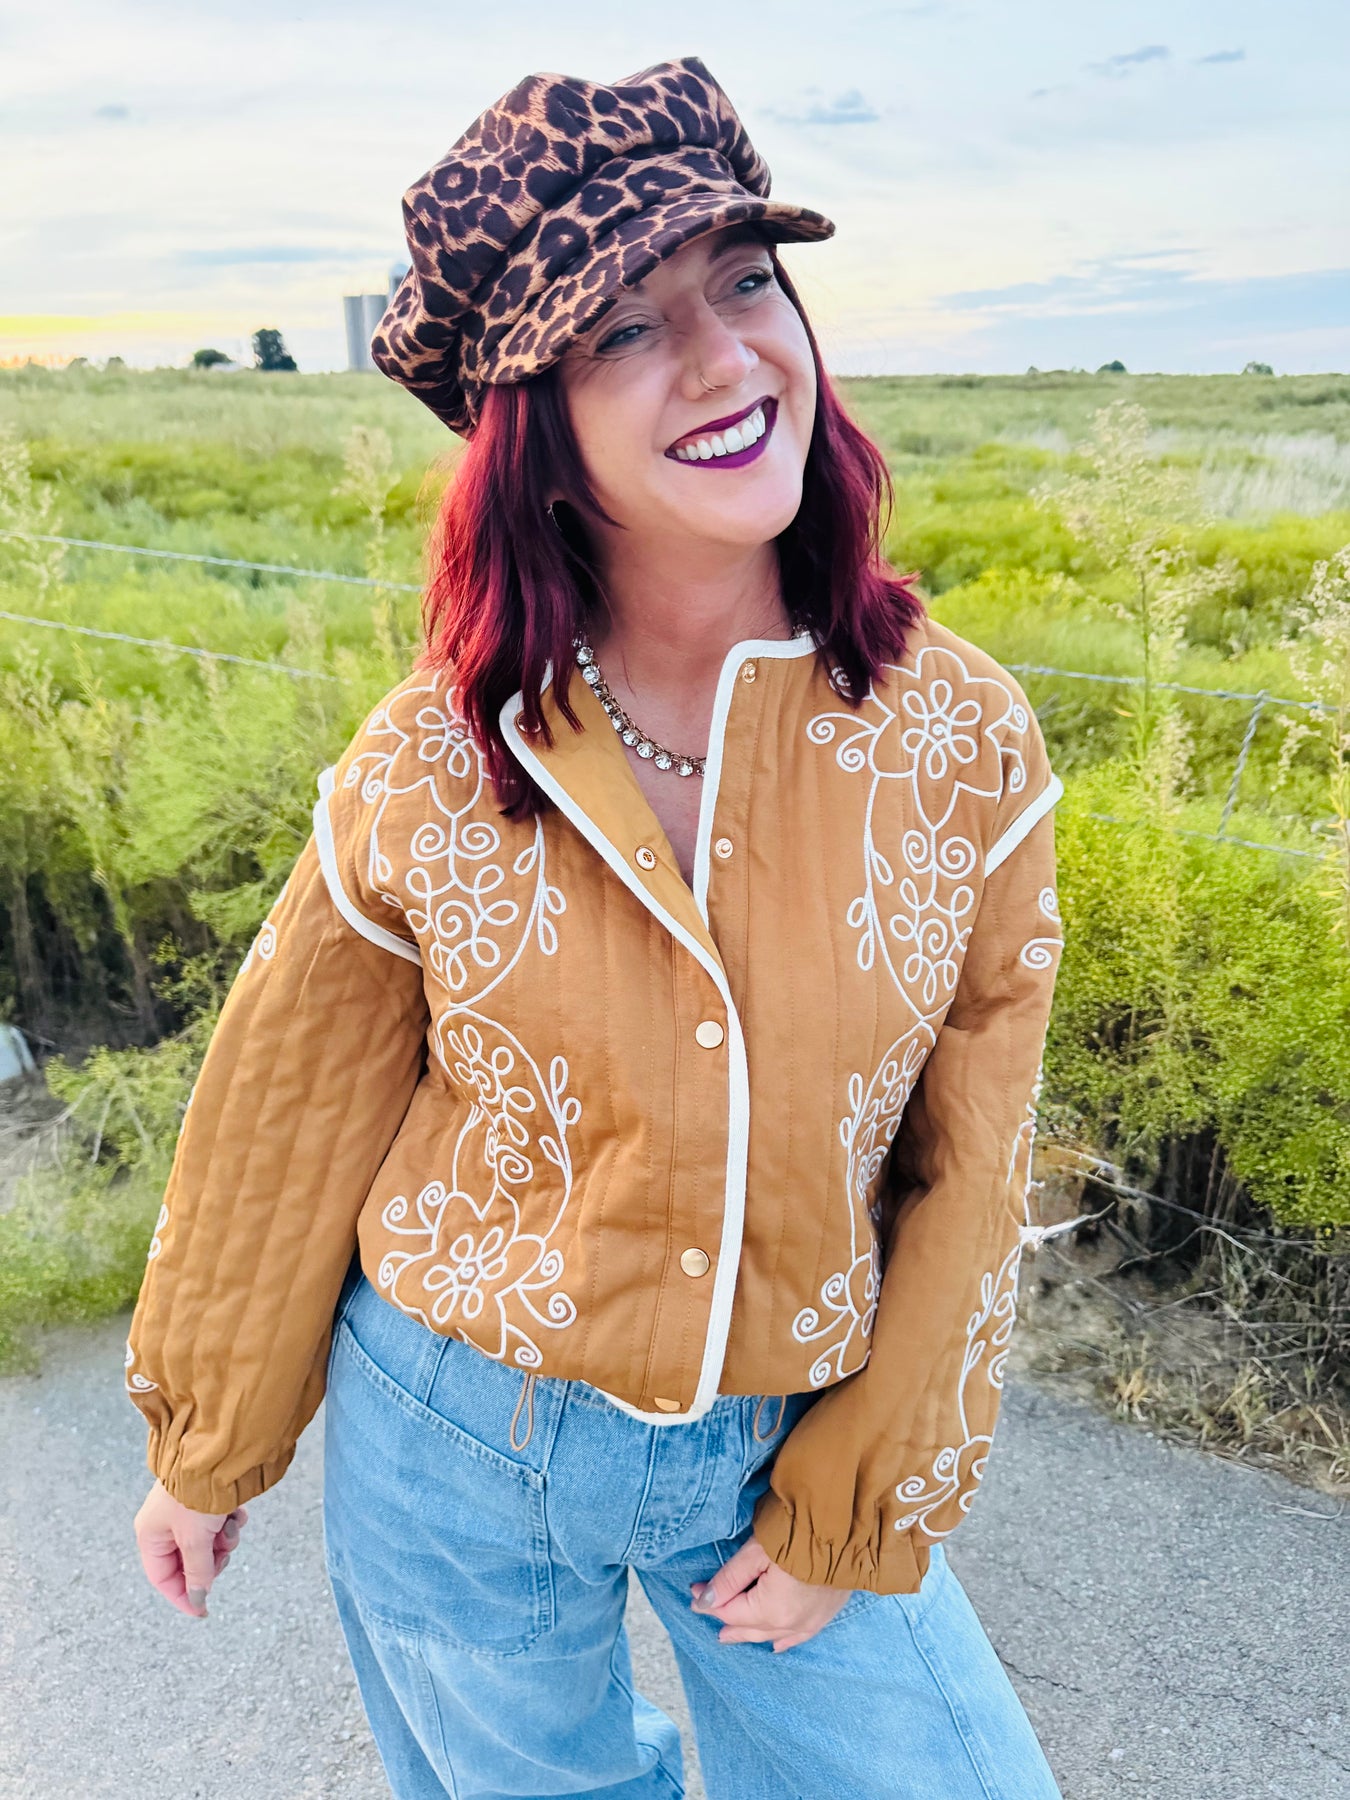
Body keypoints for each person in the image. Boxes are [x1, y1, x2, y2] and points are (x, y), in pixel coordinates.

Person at [127, 54, 1067, 1800]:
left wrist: (859, 1498)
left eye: (743, 280)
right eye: (624, 328)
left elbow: (975, 1149)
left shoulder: (959, 739)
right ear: (530, 423)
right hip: (448, 1440)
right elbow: (290, 1105)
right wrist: (209, 1441)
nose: (720, 359)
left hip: (786, 1435)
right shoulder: (435, 752)